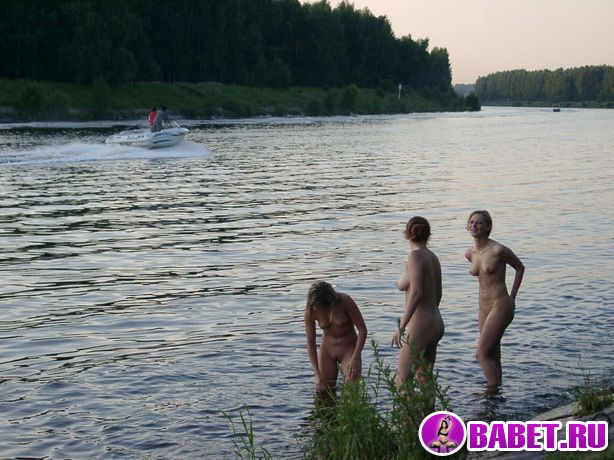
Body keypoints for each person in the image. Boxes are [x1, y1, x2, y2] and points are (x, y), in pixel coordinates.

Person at [465, 210, 524, 389]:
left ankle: (490, 393)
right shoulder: (470, 253)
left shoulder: (498, 250)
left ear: (488, 226)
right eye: (472, 222)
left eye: (479, 222)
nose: (474, 225)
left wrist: (512, 297)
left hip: (500, 305)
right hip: (483, 307)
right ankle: (498, 395)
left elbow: (520, 268)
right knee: (492, 353)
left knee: (481, 354)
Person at [392, 216, 444, 386]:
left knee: (401, 381)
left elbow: (416, 293)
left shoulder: (414, 256)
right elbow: (438, 294)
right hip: (436, 321)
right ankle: (429, 406)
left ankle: (406, 407)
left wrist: (401, 327)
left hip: (421, 324)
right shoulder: (432, 257)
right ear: (428, 234)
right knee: (425, 379)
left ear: (407, 233)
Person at [304, 281, 367, 394]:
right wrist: (317, 374)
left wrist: (355, 357)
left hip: (349, 349)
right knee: (323, 391)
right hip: (327, 351)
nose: (323, 310)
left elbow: (362, 330)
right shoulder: (311, 311)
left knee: (352, 390)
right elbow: (310, 342)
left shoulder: (345, 301)